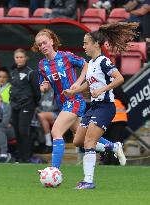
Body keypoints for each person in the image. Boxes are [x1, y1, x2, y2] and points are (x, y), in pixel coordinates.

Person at [32, 28, 126, 170]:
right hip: (63, 103)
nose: (43, 46)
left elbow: (86, 65)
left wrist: (78, 83)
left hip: (75, 100)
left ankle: (54, 170)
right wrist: (43, 86)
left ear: (51, 41)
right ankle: (113, 146)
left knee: (56, 132)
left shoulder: (66, 56)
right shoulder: (42, 65)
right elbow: (43, 85)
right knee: (82, 138)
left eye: (44, 42)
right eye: (39, 45)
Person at [63, 22, 138, 189]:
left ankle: (88, 181)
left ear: (96, 44)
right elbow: (89, 85)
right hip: (94, 106)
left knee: (89, 142)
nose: (83, 46)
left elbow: (119, 78)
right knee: (78, 141)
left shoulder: (104, 61)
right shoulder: (90, 64)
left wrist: (103, 90)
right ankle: (113, 146)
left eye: (85, 43)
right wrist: (73, 92)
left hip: (105, 106)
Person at [10, 48, 41, 163]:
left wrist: (34, 104)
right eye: (17, 57)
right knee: (17, 131)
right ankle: (20, 157)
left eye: (21, 57)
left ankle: (27, 157)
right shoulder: (12, 73)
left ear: (26, 58)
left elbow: (37, 92)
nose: (19, 59)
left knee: (24, 131)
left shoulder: (30, 72)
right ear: (14, 58)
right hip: (15, 105)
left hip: (27, 105)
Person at [37, 87, 59, 153]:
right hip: (42, 115)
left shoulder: (55, 92)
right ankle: (48, 144)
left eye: (46, 83)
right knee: (43, 119)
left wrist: (44, 112)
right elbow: (37, 105)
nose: (44, 85)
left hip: (55, 113)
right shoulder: (40, 92)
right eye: (43, 83)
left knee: (41, 116)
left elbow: (56, 106)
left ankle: (48, 142)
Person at [0, 90, 15, 163]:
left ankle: (4, 154)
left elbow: (4, 123)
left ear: (0, 98)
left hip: (12, 130)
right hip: (1, 129)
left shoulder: (6, 106)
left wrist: (2, 124)